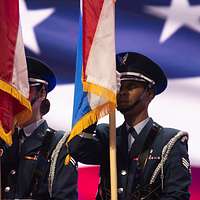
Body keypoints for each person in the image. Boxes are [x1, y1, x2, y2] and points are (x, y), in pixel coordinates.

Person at [68, 52, 191, 199]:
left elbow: (177, 195)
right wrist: (95, 103)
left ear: (149, 93)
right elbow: (77, 149)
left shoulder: (169, 141)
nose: (123, 92)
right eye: (119, 87)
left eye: (131, 86)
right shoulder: (107, 136)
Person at [1, 57, 78, 199]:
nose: (15, 95)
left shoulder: (59, 144)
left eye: (23, 88)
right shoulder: (3, 140)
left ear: (42, 92)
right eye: (11, 88)